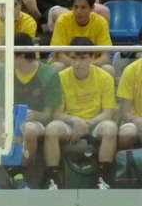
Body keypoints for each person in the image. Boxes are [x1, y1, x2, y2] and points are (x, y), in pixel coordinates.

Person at [0, 32, 62, 188]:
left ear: (21, 56)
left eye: (8, 54)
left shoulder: (49, 74)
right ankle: (17, 176)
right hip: (8, 121)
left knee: (29, 129)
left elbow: (49, 115)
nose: (4, 58)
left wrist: (36, 115)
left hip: (35, 123)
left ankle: (20, 172)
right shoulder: (4, 71)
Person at [44, 36, 117, 190]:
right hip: (69, 124)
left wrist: (86, 123)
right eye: (73, 58)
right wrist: (74, 120)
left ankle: (103, 179)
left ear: (91, 57)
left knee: (110, 127)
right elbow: (56, 114)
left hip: (95, 122)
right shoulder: (60, 77)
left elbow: (108, 112)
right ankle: (53, 179)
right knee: (51, 129)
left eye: (82, 58)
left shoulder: (104, 77)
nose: (77, 63)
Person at [49, 0, 113, 75]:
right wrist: (78, 64)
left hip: (92, 65)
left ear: (92, 8)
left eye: (83, 7)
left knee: (108, 69)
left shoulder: (101, 22)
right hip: (68, 65)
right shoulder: (62, 20)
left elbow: (105, 57)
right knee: (57, 66)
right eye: (75, 7)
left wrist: (85, 65)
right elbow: (60, 55)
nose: (78, 11)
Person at [117, 53, 142, 151]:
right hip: (135, 121)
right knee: (126, 135)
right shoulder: (131, 70)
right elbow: (125, 113)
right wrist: (135, 119)